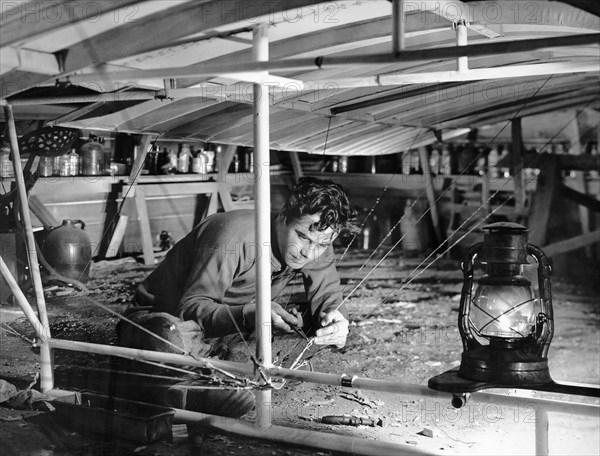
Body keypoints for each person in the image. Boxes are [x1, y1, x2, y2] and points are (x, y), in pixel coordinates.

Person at [116, 176, 359, 418]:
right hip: (168, 319)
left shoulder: (318, 243)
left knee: (314, 324)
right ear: (283, 216)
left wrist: (335, 320)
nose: (308, 251)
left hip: (233, 329)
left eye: (321, 244)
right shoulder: (233, 237)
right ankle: (206, 382)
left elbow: (329, 298)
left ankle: (210, 377)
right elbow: (190, 309)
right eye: (302, 236)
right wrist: (254, 312)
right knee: (169, 336)